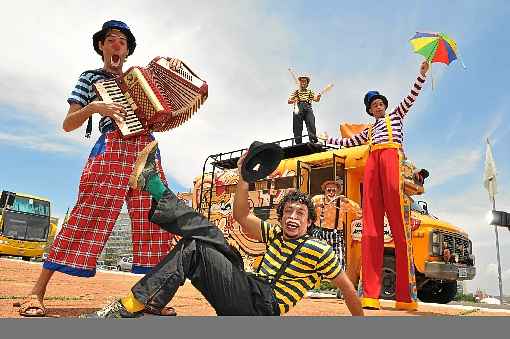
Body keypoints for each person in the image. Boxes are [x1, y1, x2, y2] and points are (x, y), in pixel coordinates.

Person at [81, 142, 364, 317]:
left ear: (309, 222)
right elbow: (241, 215)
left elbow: (349, 291)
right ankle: (148, 302)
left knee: (201, 242)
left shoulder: (319, 250)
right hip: (245, 289)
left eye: (299, 213)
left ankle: (155, 189)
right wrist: (243, 178)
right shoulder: (276, 234)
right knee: (202, 242)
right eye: (287, 211)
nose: (292, 217)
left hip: (261, 308)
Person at [15, 20, 177, 317]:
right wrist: (94, 108)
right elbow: (68, 123)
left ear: (127, 51)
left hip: (145, 148)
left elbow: (162, 117)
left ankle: (152, 297)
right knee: (87, 214)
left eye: (123, 42)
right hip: (112, 148)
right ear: (101, 45)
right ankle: (36, 292)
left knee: (156, 219)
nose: (117, 45)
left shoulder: (142, 80)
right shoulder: (90, 78)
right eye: (111, 40)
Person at [323, 61, 429, 311]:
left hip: (392, 159)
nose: (378, 107)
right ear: (370, 111)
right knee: (371, 226)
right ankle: (370, 294)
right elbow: (347, 143)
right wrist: (329, 140)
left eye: (380, 103)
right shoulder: (370, 130)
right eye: (374, 106)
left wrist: (421, 75)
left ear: (385, 105)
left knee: (399, 229)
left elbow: (411, 97)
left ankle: (405, 298)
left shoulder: (397, 116)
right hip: (373, 163)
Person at [311, 179, 361, 271]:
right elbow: (306, 208)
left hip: (335, 233)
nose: (331, 192)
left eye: (334, 190)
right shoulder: (317, 199)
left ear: (337, 192)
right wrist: (316, 206)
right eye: (328, 190)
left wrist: (347, 201)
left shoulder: (341, 202)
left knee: (339, 258)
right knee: (315, 256)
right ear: (324, 190)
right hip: (319, 231)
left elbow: (358, 211)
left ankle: (340, 279)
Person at [288, 75, 321, 144]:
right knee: (297, 126)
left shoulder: (310, 92)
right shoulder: (296, 92)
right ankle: (298, 142)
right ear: (299, 83)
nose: (303, 83)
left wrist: (318, 97)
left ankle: (313, 140)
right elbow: (289, 101)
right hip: (299, 106)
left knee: (311, 123)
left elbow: (316, 99)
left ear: (307, 84)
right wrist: (294, 101)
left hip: (308, 106)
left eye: (304, 82)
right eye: (301, 81)